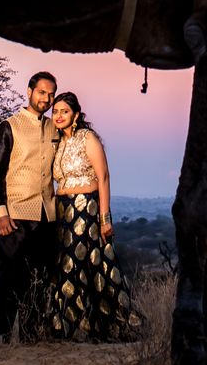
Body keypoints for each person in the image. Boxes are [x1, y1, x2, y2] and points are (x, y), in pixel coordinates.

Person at [49, 91, 141, 340]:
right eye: (55, 111)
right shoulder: (57, 142)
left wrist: (104, 218)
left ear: (76, 115)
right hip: (62, 211)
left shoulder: (87, 138)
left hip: (86, 209)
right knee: (65, 269)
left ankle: (107, 327)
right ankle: (68, 329)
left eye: (64, 111)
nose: (58, 116)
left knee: (83, 266)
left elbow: (104, 177)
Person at [0, 71, 59, 343]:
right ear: (29, 91)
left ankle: (31, 338)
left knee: (39, 281)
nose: (47, 99)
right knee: (11, 281)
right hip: (15, 216)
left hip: (47, 216)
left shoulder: (54, 128)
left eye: (51, 94)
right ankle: (2, 338)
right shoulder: (9, 126)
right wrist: (0, 214)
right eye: (42, 92)